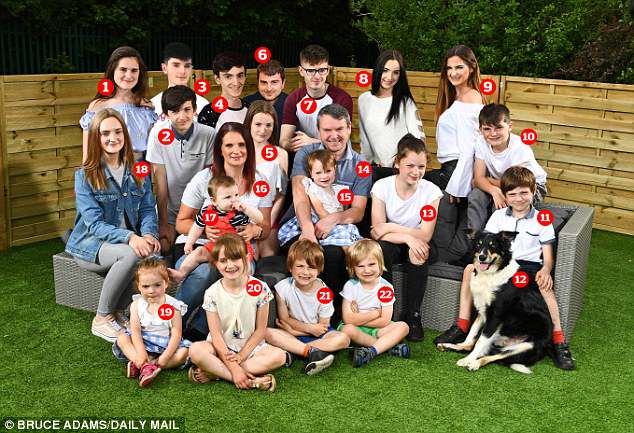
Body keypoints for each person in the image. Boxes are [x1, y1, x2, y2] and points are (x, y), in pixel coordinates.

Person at [433, 166, 576, 370]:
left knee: (545, 286)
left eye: (524, 193)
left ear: (534, 191)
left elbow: (548, 255)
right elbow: (486, 242)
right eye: (512, 194)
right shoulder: (498, 216)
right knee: (468, 270)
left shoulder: (542, 219)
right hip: (501, 264)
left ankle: (559, 342)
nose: (519, 199)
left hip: (527, 268)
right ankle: (461, 326)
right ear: (505, 196)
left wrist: (546, 270)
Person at [66, 109, 160, 342]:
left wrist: (149, 234)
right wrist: (131, 237)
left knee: (151, 256)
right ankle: (101, 318)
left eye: (118, 132)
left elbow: (148, 209)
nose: (113, 138)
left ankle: (119, 312)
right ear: (96, 138)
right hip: (91, 245)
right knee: (131, 254)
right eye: (105, 133)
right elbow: (95, 225)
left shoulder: (139, 169)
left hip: (126, 242)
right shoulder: (85, 176)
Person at [174, 122, 274, 339]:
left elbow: (265, 228)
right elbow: (181, 222)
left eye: (241, 145)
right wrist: (205, 231)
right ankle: (172, 323)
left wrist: (254, 231)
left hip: (240, 249)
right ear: (220, 149)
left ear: (249, 148)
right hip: (203, 246)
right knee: (206, 272)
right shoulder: (204, 179)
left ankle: (199, 332)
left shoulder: (261, 182)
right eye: (229, 145)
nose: (236, 151)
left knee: (236, 273)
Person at [281, 104, 372, 324]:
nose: (334, 136)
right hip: (303, 223)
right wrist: (307, 230)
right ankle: (318, 318)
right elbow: (300, 196)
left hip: (339, 227)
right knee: (319, 253)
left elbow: (358, 211)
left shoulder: (360, 164)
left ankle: (346, 316)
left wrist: (333, 219)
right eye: (327, 130)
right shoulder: (306, 154)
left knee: (341, 255)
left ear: (349, 128)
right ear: (318, 131)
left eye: (339, 129)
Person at [187, 234, 286, 390]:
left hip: (249, 348)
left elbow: (260, 331)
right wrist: (234, 369)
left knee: (279, 356)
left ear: (247, 257)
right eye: (223, 260)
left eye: (235, 258)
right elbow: (216, 335)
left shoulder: (260, 288)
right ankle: (244, 379)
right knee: (195, 350)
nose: (230, 265)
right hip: (220, 348)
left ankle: (216, 373)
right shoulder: (212, 293)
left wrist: (241, 356)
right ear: (216, 263)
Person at [370, 134, 443, 341]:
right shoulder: (382, 186)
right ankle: (387, 314)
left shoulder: (432, 192)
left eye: (421, 167)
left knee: (417, 251)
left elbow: (425, 234)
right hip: (393, 242)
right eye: (410, 165)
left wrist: (392, 227)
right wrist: (407, 237)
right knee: (380, 249)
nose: (416, 172)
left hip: (419, 242)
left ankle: (413, 316)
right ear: (397, 163)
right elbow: (376, 231)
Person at [427, 45, 487, 265]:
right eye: (449, 68)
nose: (453, 73)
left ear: (472, 67)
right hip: (449, 169)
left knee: (446, 232)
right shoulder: (457, 97)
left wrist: (456, 185)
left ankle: (444, 267)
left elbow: (471, 147)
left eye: (459, 67)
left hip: (457, 171)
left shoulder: (471, 99)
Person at [146, 85, 215, 256]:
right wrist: (163, 223)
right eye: (175, 111)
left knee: (191, 252)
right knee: (163, 247)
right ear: (166, 113)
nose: (182, 117)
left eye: (187, 110)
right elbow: (161, 185)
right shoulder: (157, 134)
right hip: (169, 209)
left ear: (195, 110)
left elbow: (208, 181)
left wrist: (199, 222)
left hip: (196, 210)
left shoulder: (209, 134)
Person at [265, 240, 350, 375]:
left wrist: (297, 332)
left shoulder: (324, 293)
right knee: (268, 333)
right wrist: (306, 329)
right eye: (300, 266)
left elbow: (323, 327)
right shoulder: (282, 288)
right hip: (292, 333)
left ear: (319, 270)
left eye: (311, 267)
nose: (305, 272)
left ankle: (297, 351)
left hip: (317, 335)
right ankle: (312, 352)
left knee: (343, 339)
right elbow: (284, 319)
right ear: (290, 267)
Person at [111, 257, 191, 387]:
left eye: (157, 285)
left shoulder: (173, 306)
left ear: (166, 283)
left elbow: (176, 334)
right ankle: (139, 361)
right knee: (122, 338)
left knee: (183, 354)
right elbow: (135, 330)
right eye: (146, 286)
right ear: (139, 286)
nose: (151, 291)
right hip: (143, 342)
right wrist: (141, 352)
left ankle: (150, 365)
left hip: (165, 345)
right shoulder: (136, 305)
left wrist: (165, 357)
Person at [468, 103, 547, 231]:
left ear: (509, 126)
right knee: (476, 196)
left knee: (503, 204)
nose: (493, 133)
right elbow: (478, 178)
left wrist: (488, 180)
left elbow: (515, 185)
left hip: (529, 186)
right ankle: (475, 238)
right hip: (501, 183)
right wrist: (494, 190)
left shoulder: (519, 147)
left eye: (498, 128)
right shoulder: (481, 142)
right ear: (480, 130)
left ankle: (500, 240)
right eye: (487, 129)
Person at [169, 175, 263, 283]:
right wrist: (189, 243)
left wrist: (247, 209)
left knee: (244, 266)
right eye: (228, 197)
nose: (234, 200)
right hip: (215, 247)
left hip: (238, 249)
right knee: (199, 252)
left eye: (236, 195)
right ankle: (181, 273)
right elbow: (197, 227)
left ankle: (242, 285)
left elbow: (259, 219)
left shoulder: (240, 212)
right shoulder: (208, 212)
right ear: (214, 201)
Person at [338, 239, 410, 368]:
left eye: (371, 264)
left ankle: (371, 351)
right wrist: (376, 313)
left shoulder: (385, 288)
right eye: (360, 266)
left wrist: (358, 318)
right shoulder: (350, 286)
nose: (367, 270)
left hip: (378, 330)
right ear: (353, 268)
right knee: (346, 329)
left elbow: (385, 321)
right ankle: (387, 347)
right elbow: (347, 319)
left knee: (403, 327)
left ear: (380, 263)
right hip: (356, 329)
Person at [80, 46, 157, 162]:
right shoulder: (97, 106)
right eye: (123, 69)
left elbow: (153, 151)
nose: (129, 75)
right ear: (112, 70)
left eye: (134, 70)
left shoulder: (146, 106)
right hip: (106, 170)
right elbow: (87, 155)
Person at [358, 49, 424, 177]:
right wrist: (365, 167)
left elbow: (419, 140)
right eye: (385, 70)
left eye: (396, 72)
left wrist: (403, 164)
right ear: (378, 69)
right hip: (377, 169)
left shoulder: (406, 102)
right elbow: (365, 141)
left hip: (402, 171)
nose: (390, 77)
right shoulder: (364, 100)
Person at [278, 149, 361, 248]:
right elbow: (319, 210)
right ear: (311, 173)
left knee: (347, 232)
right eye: (318, 173)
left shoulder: (339, 190)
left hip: (332, 221)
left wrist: (336, 220)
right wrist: (333, 222)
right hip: (318, 221)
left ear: (335, 169)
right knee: (343, 233)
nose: (324, 176)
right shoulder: (313, 188)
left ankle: (351, 253)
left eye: (328, 171)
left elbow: (340, 211)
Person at [280, 45, 353, 153]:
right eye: (310, 71)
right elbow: (283, 141)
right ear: (301, 71)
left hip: (336, 158)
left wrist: (312, 143)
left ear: (328, 70)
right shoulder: (293, 99)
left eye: (322, 70)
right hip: (304, 157)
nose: (317, 76)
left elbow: (342, 141)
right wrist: (294, 144)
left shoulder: (341, 99)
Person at [243, 100, 289, 256]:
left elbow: (281, 195)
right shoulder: (238, 150)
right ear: (249, 124)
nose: (263, 130)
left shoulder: (281, 154)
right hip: (242, 216)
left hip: (269, 215)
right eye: (258, 124)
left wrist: (266, 224)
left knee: (267, 255)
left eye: (268, 125)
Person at [150, 42, 209, 121]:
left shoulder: (203, 105)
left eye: (187, 66)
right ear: (164, 68)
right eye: (176, 65)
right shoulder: (153, 106)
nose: (182, 71)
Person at [198, 52, 249, 131]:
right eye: (228, 77)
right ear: (217, 79)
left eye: (240, 76)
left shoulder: (250, 108)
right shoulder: (209, 113)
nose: (236, 82)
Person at [244, 60, 288, 138]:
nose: (269, 88)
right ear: (258, 83)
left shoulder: (294, 104)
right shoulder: (246, 103)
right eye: (264, 82)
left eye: (274, 82)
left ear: (283, 83)